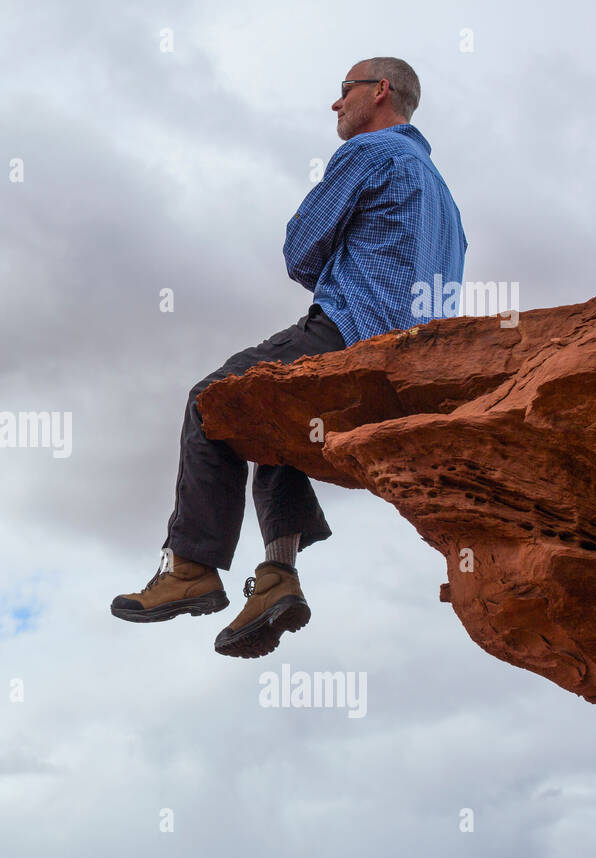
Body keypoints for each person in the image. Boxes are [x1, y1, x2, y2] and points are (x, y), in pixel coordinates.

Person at [111, 56, 468, 659]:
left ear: (380, 92)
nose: (336, 104)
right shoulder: (447, 200)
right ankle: (277, 575)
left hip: (350, 335)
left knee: (212, 400)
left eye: (344, 90)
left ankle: (192, 565)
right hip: (410, 365)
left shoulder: (372, 153)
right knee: (275, 421)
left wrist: (334, 267)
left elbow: (300, 250)